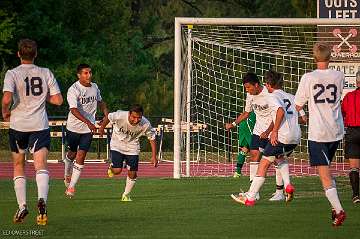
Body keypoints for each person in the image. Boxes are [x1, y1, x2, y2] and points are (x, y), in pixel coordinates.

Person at [1, 39, 63, 225]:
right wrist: (43, 97)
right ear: (35, 54)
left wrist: (5, 112)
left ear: (18, 54)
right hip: (39, 125)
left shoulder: (12, 73)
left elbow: (6, 98)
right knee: (40, 165)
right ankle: (42, 200)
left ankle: (22, 205)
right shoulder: (45, 72)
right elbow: (58, 100)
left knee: (19, 165)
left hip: (19, 126)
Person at [231, 70, 305, 206]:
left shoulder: (271, 96)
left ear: (267, 84)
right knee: (279, 158)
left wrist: (274, 131)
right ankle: (287, 185)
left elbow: (280, 111)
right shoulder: (291, 96)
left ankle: (251, 197)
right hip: (295, 136)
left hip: (281, 136)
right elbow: (303, 118)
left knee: (264, 164)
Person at [295, 42, 346, 227]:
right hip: (336, 130)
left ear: (314, 58)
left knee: (324, 175)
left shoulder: (308, 77)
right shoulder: (339, 75)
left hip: (319, 133)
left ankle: (339, 211)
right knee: (327, 172)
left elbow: (297, 104)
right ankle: (334, 208)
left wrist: (302, 114)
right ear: (330, 57)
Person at [64, 63, 108, 198]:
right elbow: (73, 109)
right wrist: (88, 122)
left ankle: (71, 187)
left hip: (88, 130)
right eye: (85, 73)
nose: (89, 75)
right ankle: (67, 172)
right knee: (72, 153)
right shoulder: (74, 89)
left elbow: (100, 102)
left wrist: (106, 113)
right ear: (79, 75)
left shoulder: (94, 87)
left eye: (90, 72)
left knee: (81, 155)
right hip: (73, 128)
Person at [99, 104, 158, 201]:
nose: (136, 120)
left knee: (133, 172)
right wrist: (102, 128)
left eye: (139, 118)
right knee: (117, 171)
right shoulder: (120, 115)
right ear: (129, 114)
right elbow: (109, 117)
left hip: (132, 146)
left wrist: (154, 156)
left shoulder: (145, 124)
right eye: (134, 117)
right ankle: (112, 168)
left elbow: (152, 137)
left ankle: (126, 194)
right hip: (117, 143)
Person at [341, 70, 360, 204]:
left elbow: (342, 113)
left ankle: (355, 195)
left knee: (354, 167)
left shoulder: (348, 96)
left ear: (356, 82)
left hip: (352, 132)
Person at [232, 111, 255, 178]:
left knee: (245, 148)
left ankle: (237, 172)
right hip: (250, 122)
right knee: (257, 149)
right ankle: (256, 173)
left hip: (244, 122)